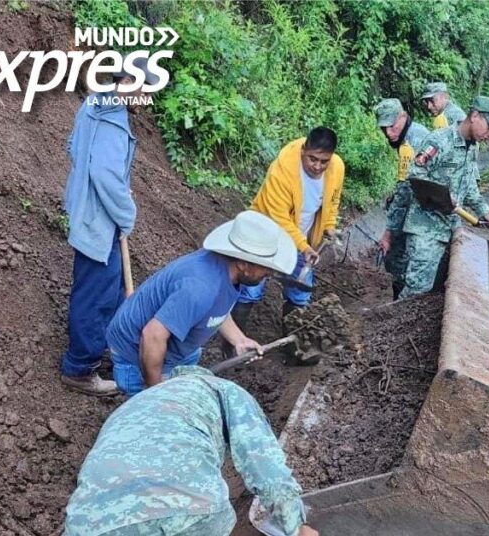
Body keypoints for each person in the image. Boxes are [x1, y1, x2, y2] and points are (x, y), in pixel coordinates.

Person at [64, 366, 317, 536]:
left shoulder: (135, 406)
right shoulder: (223, 390)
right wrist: (295, 525)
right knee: (209, 513)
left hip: (85, 524)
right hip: (184, 509)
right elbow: (263, 463)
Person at [106, 211, 297, 397]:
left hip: (174, 350)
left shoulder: (227, 272)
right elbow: (152, 336)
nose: (269, 273)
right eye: (265, 266)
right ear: (243, 264)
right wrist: (155, 392)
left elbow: (216, 308)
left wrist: (239, 339)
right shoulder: (200, 288)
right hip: (138, 357)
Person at [59, 60, 158, 396]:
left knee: (112, 289)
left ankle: (110, 351)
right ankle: (79, 368)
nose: (147, 96)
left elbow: (74, 148)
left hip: (87, 210)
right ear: (129, 81)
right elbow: (105, 174)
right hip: (100, 223)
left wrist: (101, 180)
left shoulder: (95, 102)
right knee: (96, 297)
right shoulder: (114, 121)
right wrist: (126, 211)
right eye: (145, 88)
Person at [226, 128, 344, 358]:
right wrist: (304, 246)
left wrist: (328, 225)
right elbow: (279, 218)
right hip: (264, 233)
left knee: (300, 295)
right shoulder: (282, 169)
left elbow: (333, 200)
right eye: (312, 159)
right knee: (250, 289)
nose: (317, 166)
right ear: (303, 150)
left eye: (323, 161)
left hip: (300, 239)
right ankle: (233, 349)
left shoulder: (336, 167)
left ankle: (294, 350)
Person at [378, 97, 489, 299]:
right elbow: (415, 175)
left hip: (450, 227)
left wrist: (484, 211)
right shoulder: (439, 141)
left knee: (435, 290)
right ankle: (393, 325)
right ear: (474, 116)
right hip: (425, 229)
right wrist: (443, 196)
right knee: (417, 290)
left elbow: (469, 184)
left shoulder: (471, 148)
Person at [374, 98, 430, 299]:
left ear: (403, 117)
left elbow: (405, 194)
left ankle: (400, 306)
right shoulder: (418, 133)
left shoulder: (409, 145)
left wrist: (388, 235)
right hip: (428, 205)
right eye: (384, 128)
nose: (389, 133)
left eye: (392, 126)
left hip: (422, 213)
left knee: (397, 258)